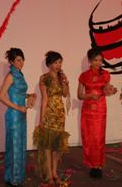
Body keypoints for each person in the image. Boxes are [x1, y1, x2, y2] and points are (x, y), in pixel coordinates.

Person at [78, 48, 117, 178]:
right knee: (88, 137)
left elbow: (106, 90)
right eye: (95, 60)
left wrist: (111, 90)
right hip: (88, 109)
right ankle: (92, 164)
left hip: (100, 109)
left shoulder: (105, 74)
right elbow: (80, 95)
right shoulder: (84, 75)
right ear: (90, 61)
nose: (98, 63)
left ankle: (98, 165)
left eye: (100, 60)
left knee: (98, 137)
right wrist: (89, 95)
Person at [34, 51, 70, 184]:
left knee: (57, 145)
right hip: (49, 113)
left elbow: (65, 94)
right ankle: (49, 175)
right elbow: (44, 98)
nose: (58, 65)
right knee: (48, 145)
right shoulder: (44, 78)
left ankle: (55, 172)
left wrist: (65, 83)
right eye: (55, 62)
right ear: (49, 64)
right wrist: (42, 118)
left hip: (60, 114)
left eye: (60, 62)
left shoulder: (62, 77)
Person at [0, 48, 31, 186]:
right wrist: (18, 108)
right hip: (14, 115)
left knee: (20, 145)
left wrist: (30, 96)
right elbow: (1, 96)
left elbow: (19, 93)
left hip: (22, 115)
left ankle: (16, 176)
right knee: (14, 146)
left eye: (22, 59)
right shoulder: (11, 76)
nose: (21, 62)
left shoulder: (20, 74)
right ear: (11, 61)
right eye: (18, 60)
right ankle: (13, 179)